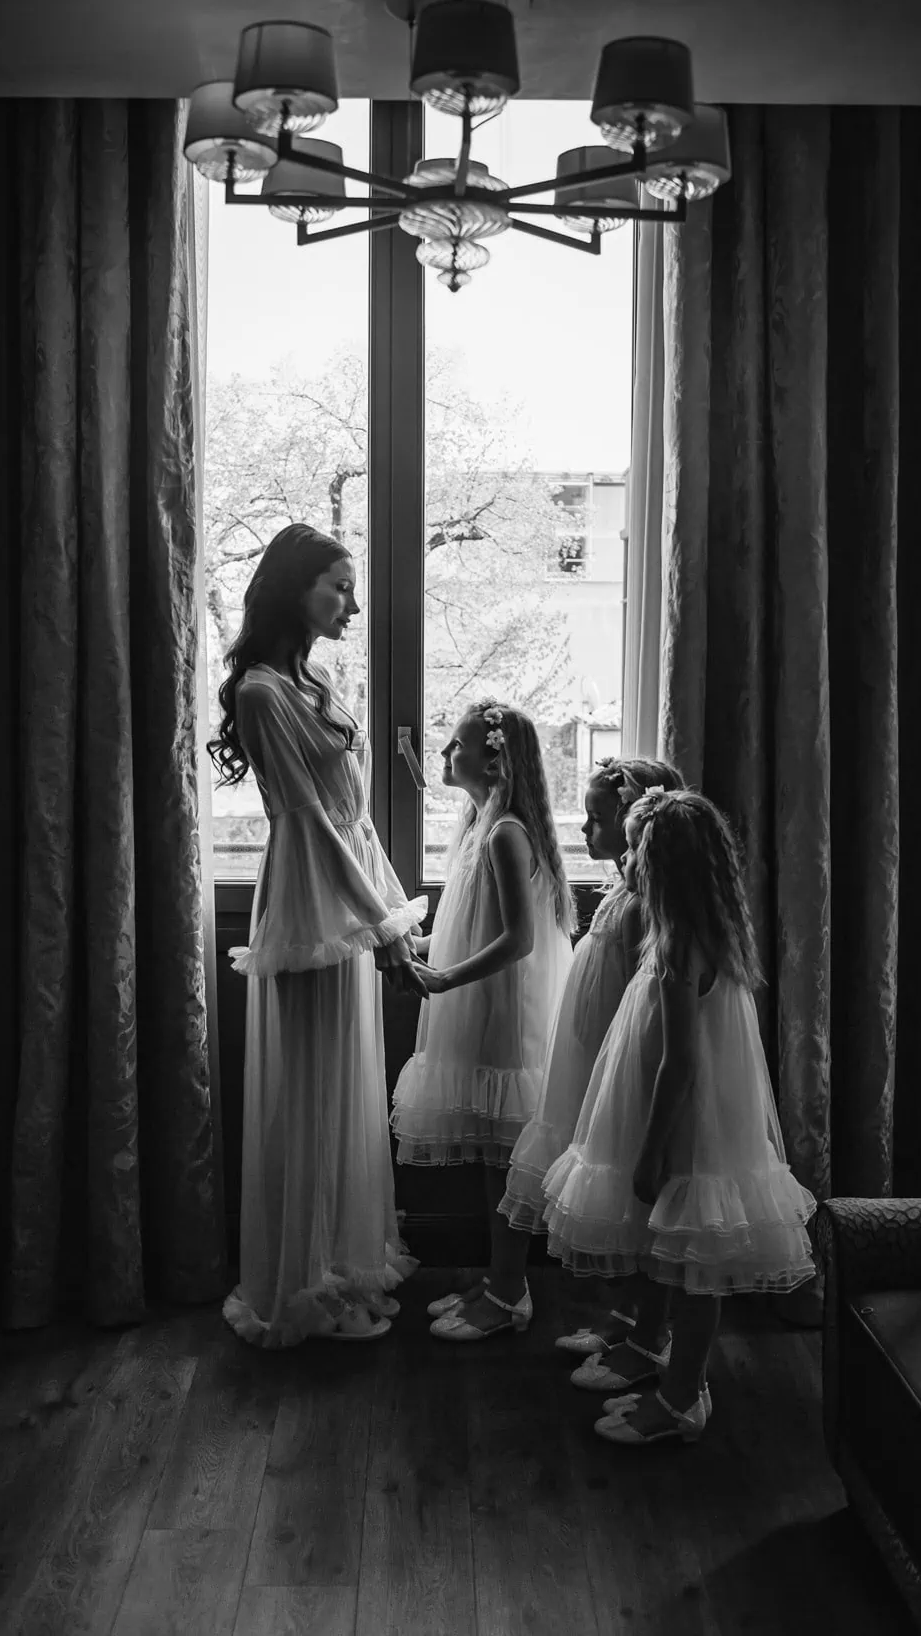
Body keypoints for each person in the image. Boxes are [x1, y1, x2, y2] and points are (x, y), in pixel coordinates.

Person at [543, 787, 816, 1442]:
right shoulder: (703, 937)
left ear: (663, 866)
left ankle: (682, 1397)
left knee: (697, 1268)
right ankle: (659, 1358)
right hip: (698, 1122)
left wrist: (651, 1149)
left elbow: (681, 1063)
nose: (628, 862)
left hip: (690, 1128)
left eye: (636, 851)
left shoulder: (677, 952)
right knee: (682, 1257)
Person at [210, 524, 426, 1348]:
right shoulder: (261, 693)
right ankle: (301, 1287)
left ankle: (342, 1267)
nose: (352, 604)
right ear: (293, 589)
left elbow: (356, 820)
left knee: (345, 1089)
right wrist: (380, 925)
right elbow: (309, 823)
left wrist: (389, 913)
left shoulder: (318, 682)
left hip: (344, 892)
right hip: (309, 903)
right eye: (339, 586)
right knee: (311, 1096)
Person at [391, 700, 573, 1341]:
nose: (445, 753)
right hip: (484, 1008)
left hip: (506, 1014)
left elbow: (519, 939)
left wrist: (444, 979)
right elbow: (471, 923)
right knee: (494, 1156)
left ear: (494, 760)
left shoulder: (506, 834)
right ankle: (500, 1278)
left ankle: (510, 1291)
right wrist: (417, 945)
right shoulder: (479, 827)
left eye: (457, 744)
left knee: (507, 1156)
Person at [496, 758, 685, 1365]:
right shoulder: (617, 895)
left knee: (636, 1199)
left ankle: (650, 1333)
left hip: (620, 1064)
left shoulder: (642, 907)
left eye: (596, 819)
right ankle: (627, 1317)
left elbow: (640, 1003)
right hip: (589, 1062)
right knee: (615, 1192)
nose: (583, 830)